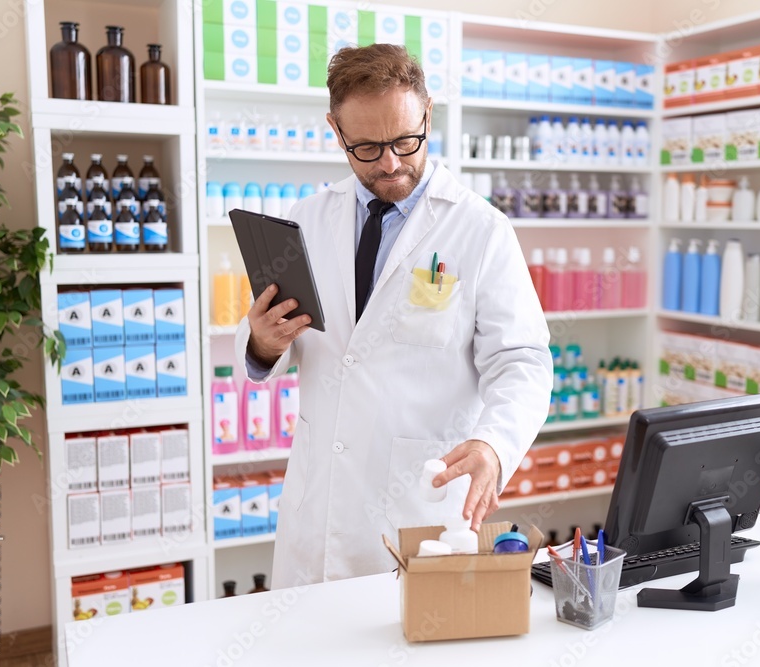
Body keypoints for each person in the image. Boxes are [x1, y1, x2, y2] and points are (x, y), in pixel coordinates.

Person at [234, 44, 552, 588]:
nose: (390, 163)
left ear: (427, 113)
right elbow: (273, 340)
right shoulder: (307, 219)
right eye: (366, 146)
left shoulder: (480, 229)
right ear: (336, 131)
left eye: (406, 140)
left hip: (418, 505)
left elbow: (522, 360)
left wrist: (494, 446)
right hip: (320, 503)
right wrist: (262, 341)